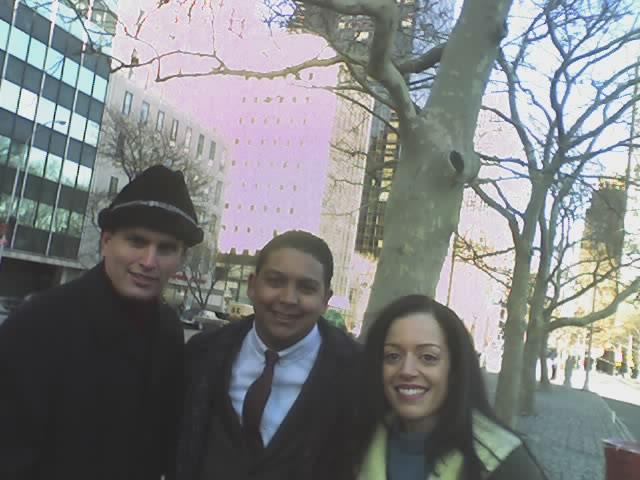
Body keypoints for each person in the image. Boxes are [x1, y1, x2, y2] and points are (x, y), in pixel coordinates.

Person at [0, 165, 203, 480]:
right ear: (106, 242)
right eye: (136, 241)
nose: (149, 261)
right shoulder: (39, 323)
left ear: (180, 259)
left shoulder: (169, 330)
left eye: (165, 248)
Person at [175, 230, 361, 480]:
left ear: (325, 299)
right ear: (252, 285)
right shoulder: (203, 353)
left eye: (306, 288)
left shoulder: (357, 373)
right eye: (275, 281)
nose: (288, 299)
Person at [354, 294, 546, 480]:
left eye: (428, 357)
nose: (407, 370)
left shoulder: (503, 462)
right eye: (393, 356)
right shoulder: (357, 440)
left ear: (454, 369)